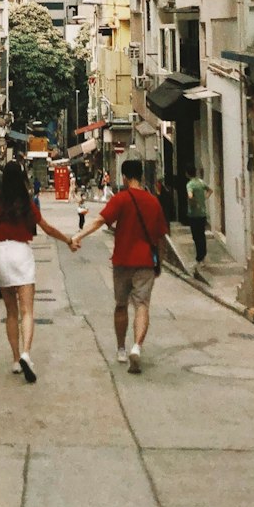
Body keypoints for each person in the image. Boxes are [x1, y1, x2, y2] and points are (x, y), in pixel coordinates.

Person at [0, 160, 77, 383]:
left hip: (0, 254)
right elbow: (47, 228)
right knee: (27, 311)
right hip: (22, 252)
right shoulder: (27, 202)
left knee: (11, 311)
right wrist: (68, 240)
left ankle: (15, 360)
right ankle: (26, 353)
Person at [72, 158, 168, 375]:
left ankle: (122, 349)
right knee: (142, 305)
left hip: (122, 261)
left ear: (124, 177)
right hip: (145, 262)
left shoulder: (121, 199)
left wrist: (78, 235)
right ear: (141, 176)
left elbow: (99, 221)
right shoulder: (153, 202)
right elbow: (161, 238)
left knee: (121, 305)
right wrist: (158, 263)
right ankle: (137, 346)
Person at [184, 164, 213, 265]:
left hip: (194, 215)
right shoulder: (201, 182)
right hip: (203, 213)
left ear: (187, 174)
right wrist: (204, 198)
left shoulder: (190, 184)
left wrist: (193, 203)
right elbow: (210, 190)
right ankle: (203, 256)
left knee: (196, 236)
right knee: (202, 235)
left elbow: (190, 196)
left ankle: (199, 258)